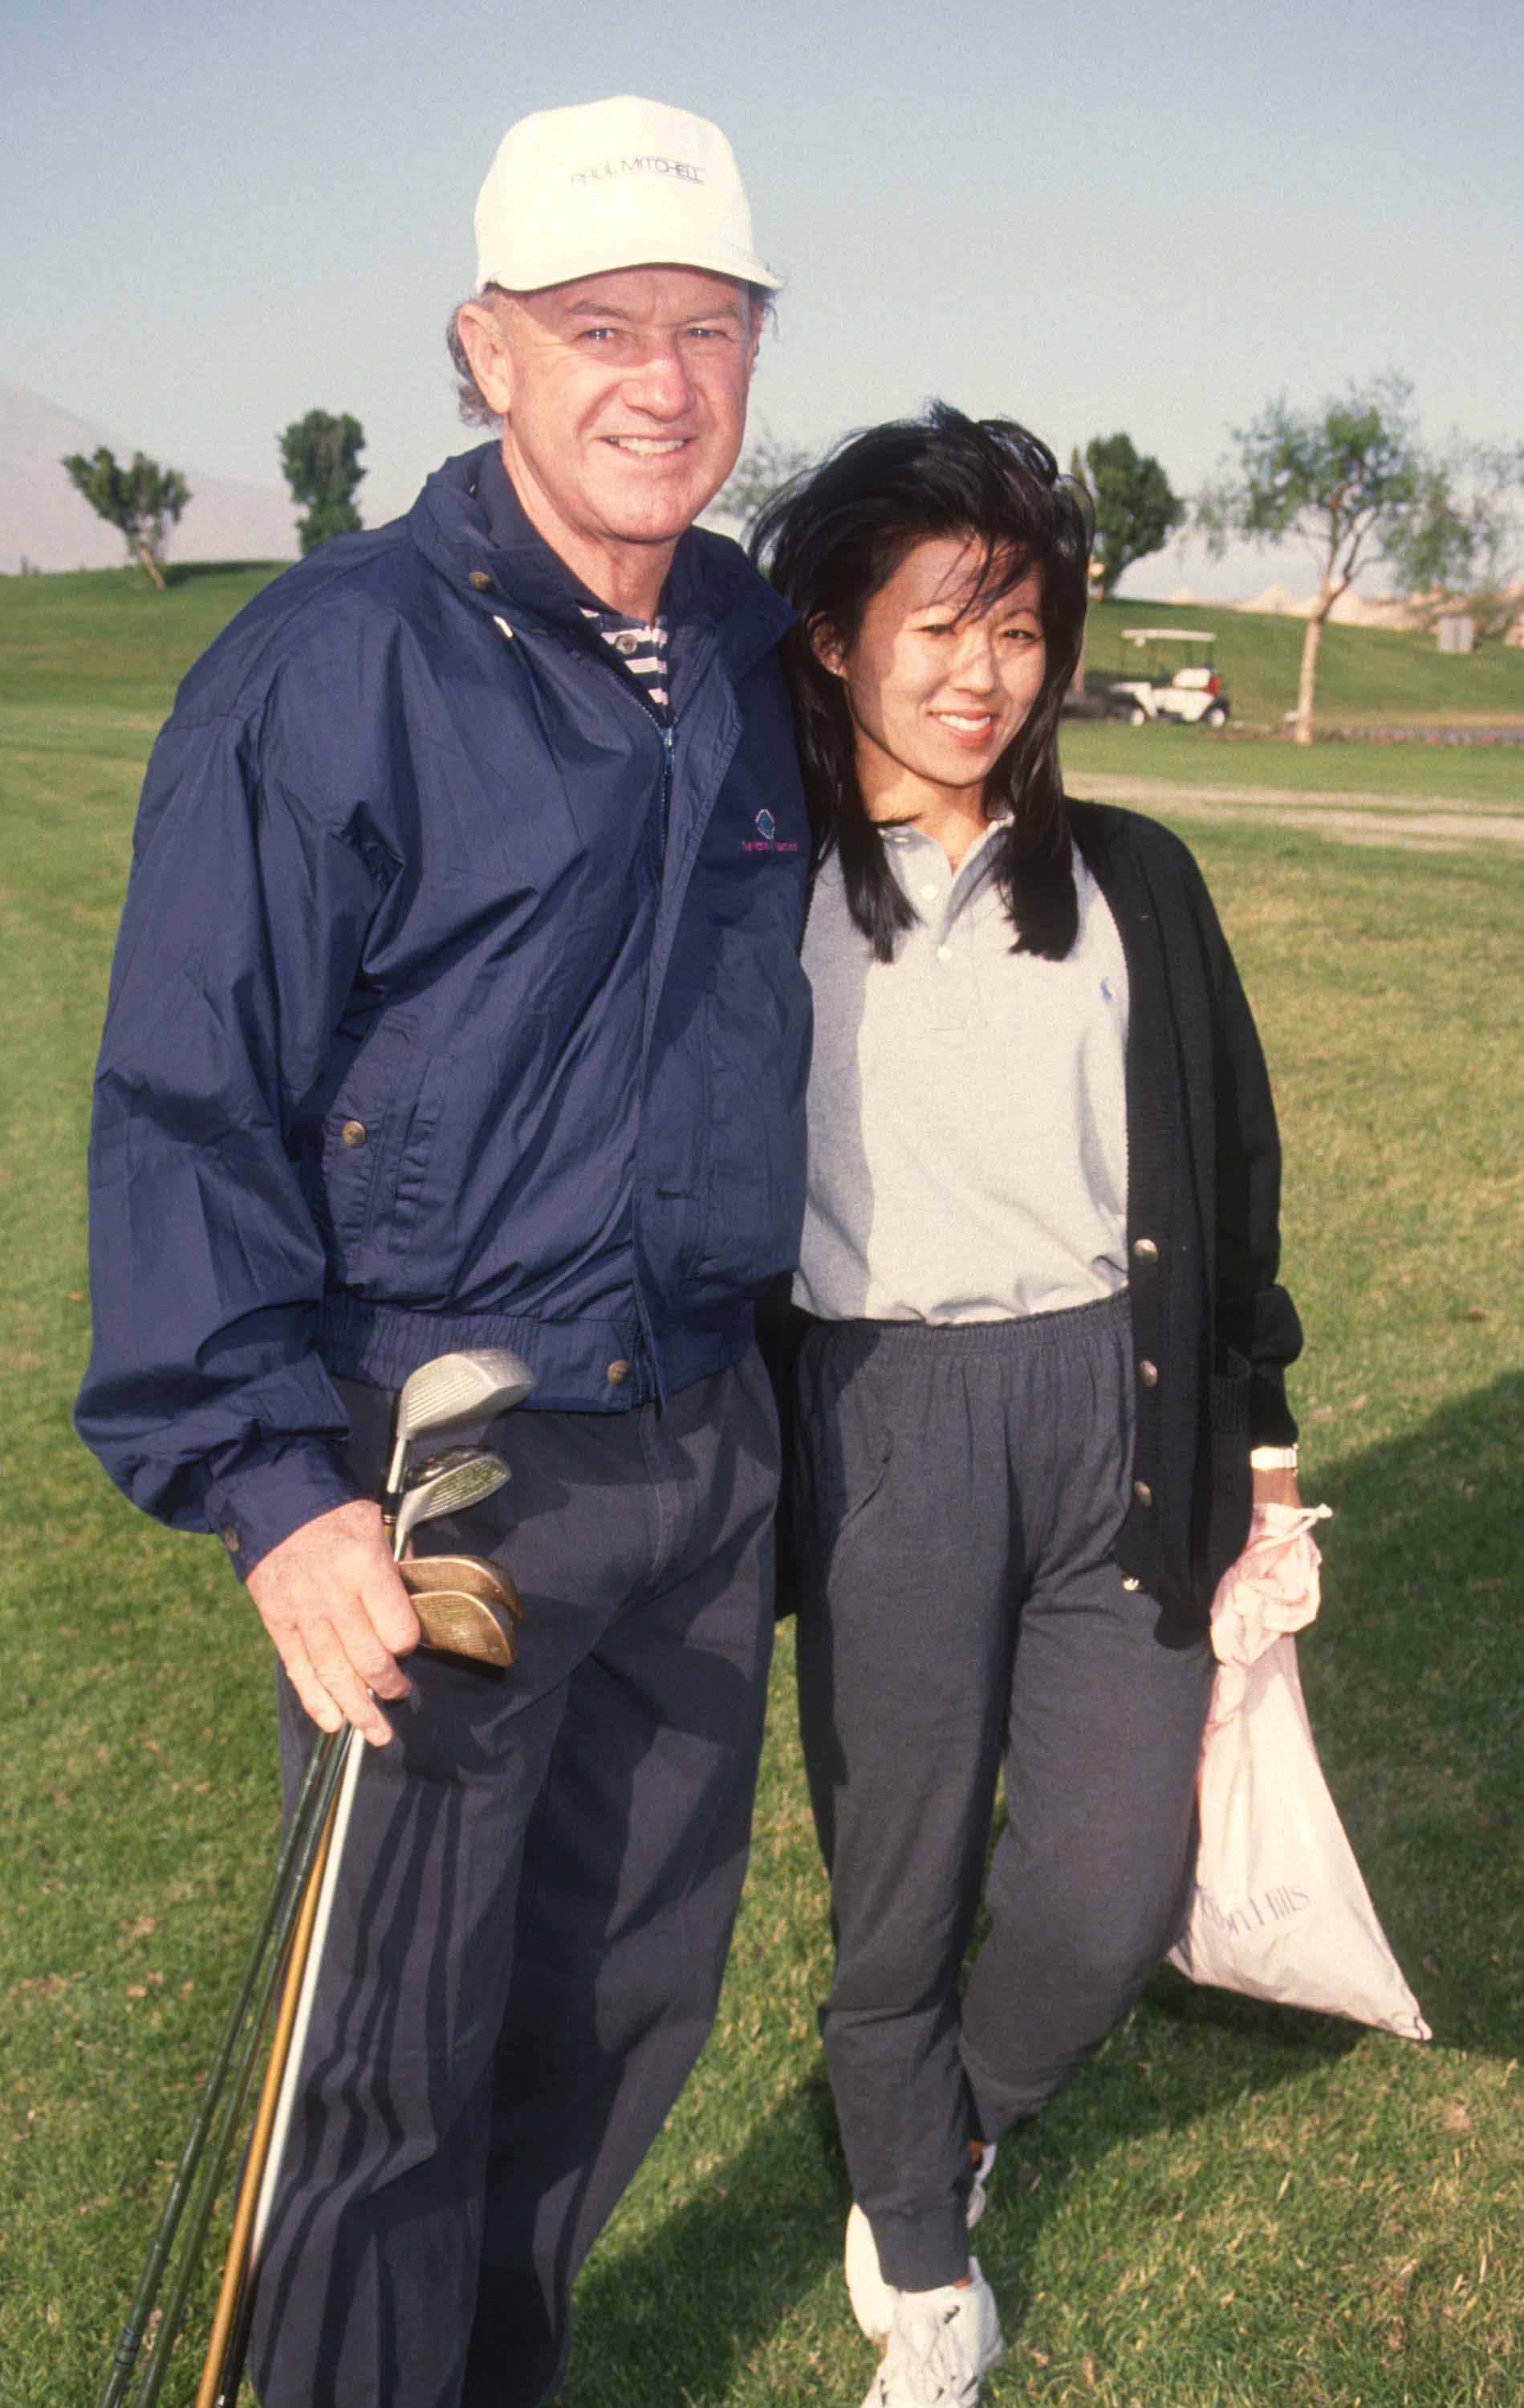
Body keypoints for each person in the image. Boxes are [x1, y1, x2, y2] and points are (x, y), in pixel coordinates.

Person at [75, 96, 811, 2408]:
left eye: (707, 328)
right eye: (601, 326)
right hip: (444, 1469)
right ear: (485, 346)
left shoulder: (749, 653)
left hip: (696, 1445)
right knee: (382, 2078)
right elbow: (189, 1097)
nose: (659, 380)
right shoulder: (330, 665)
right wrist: (272, 1486)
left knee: (606, 2028)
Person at [752, 405, 1306, 2408]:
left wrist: (1260, 1451)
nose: (981, 673)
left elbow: (1225, 1175)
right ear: (830, 637)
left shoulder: (1137, 883)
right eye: (936, 624)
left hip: (1119, 1410)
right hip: (884, 1415)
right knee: (895, 1878)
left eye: (1019, 628)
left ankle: (945, 2124)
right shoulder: (766, 887)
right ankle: (916, 2258)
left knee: (1099, 1890)